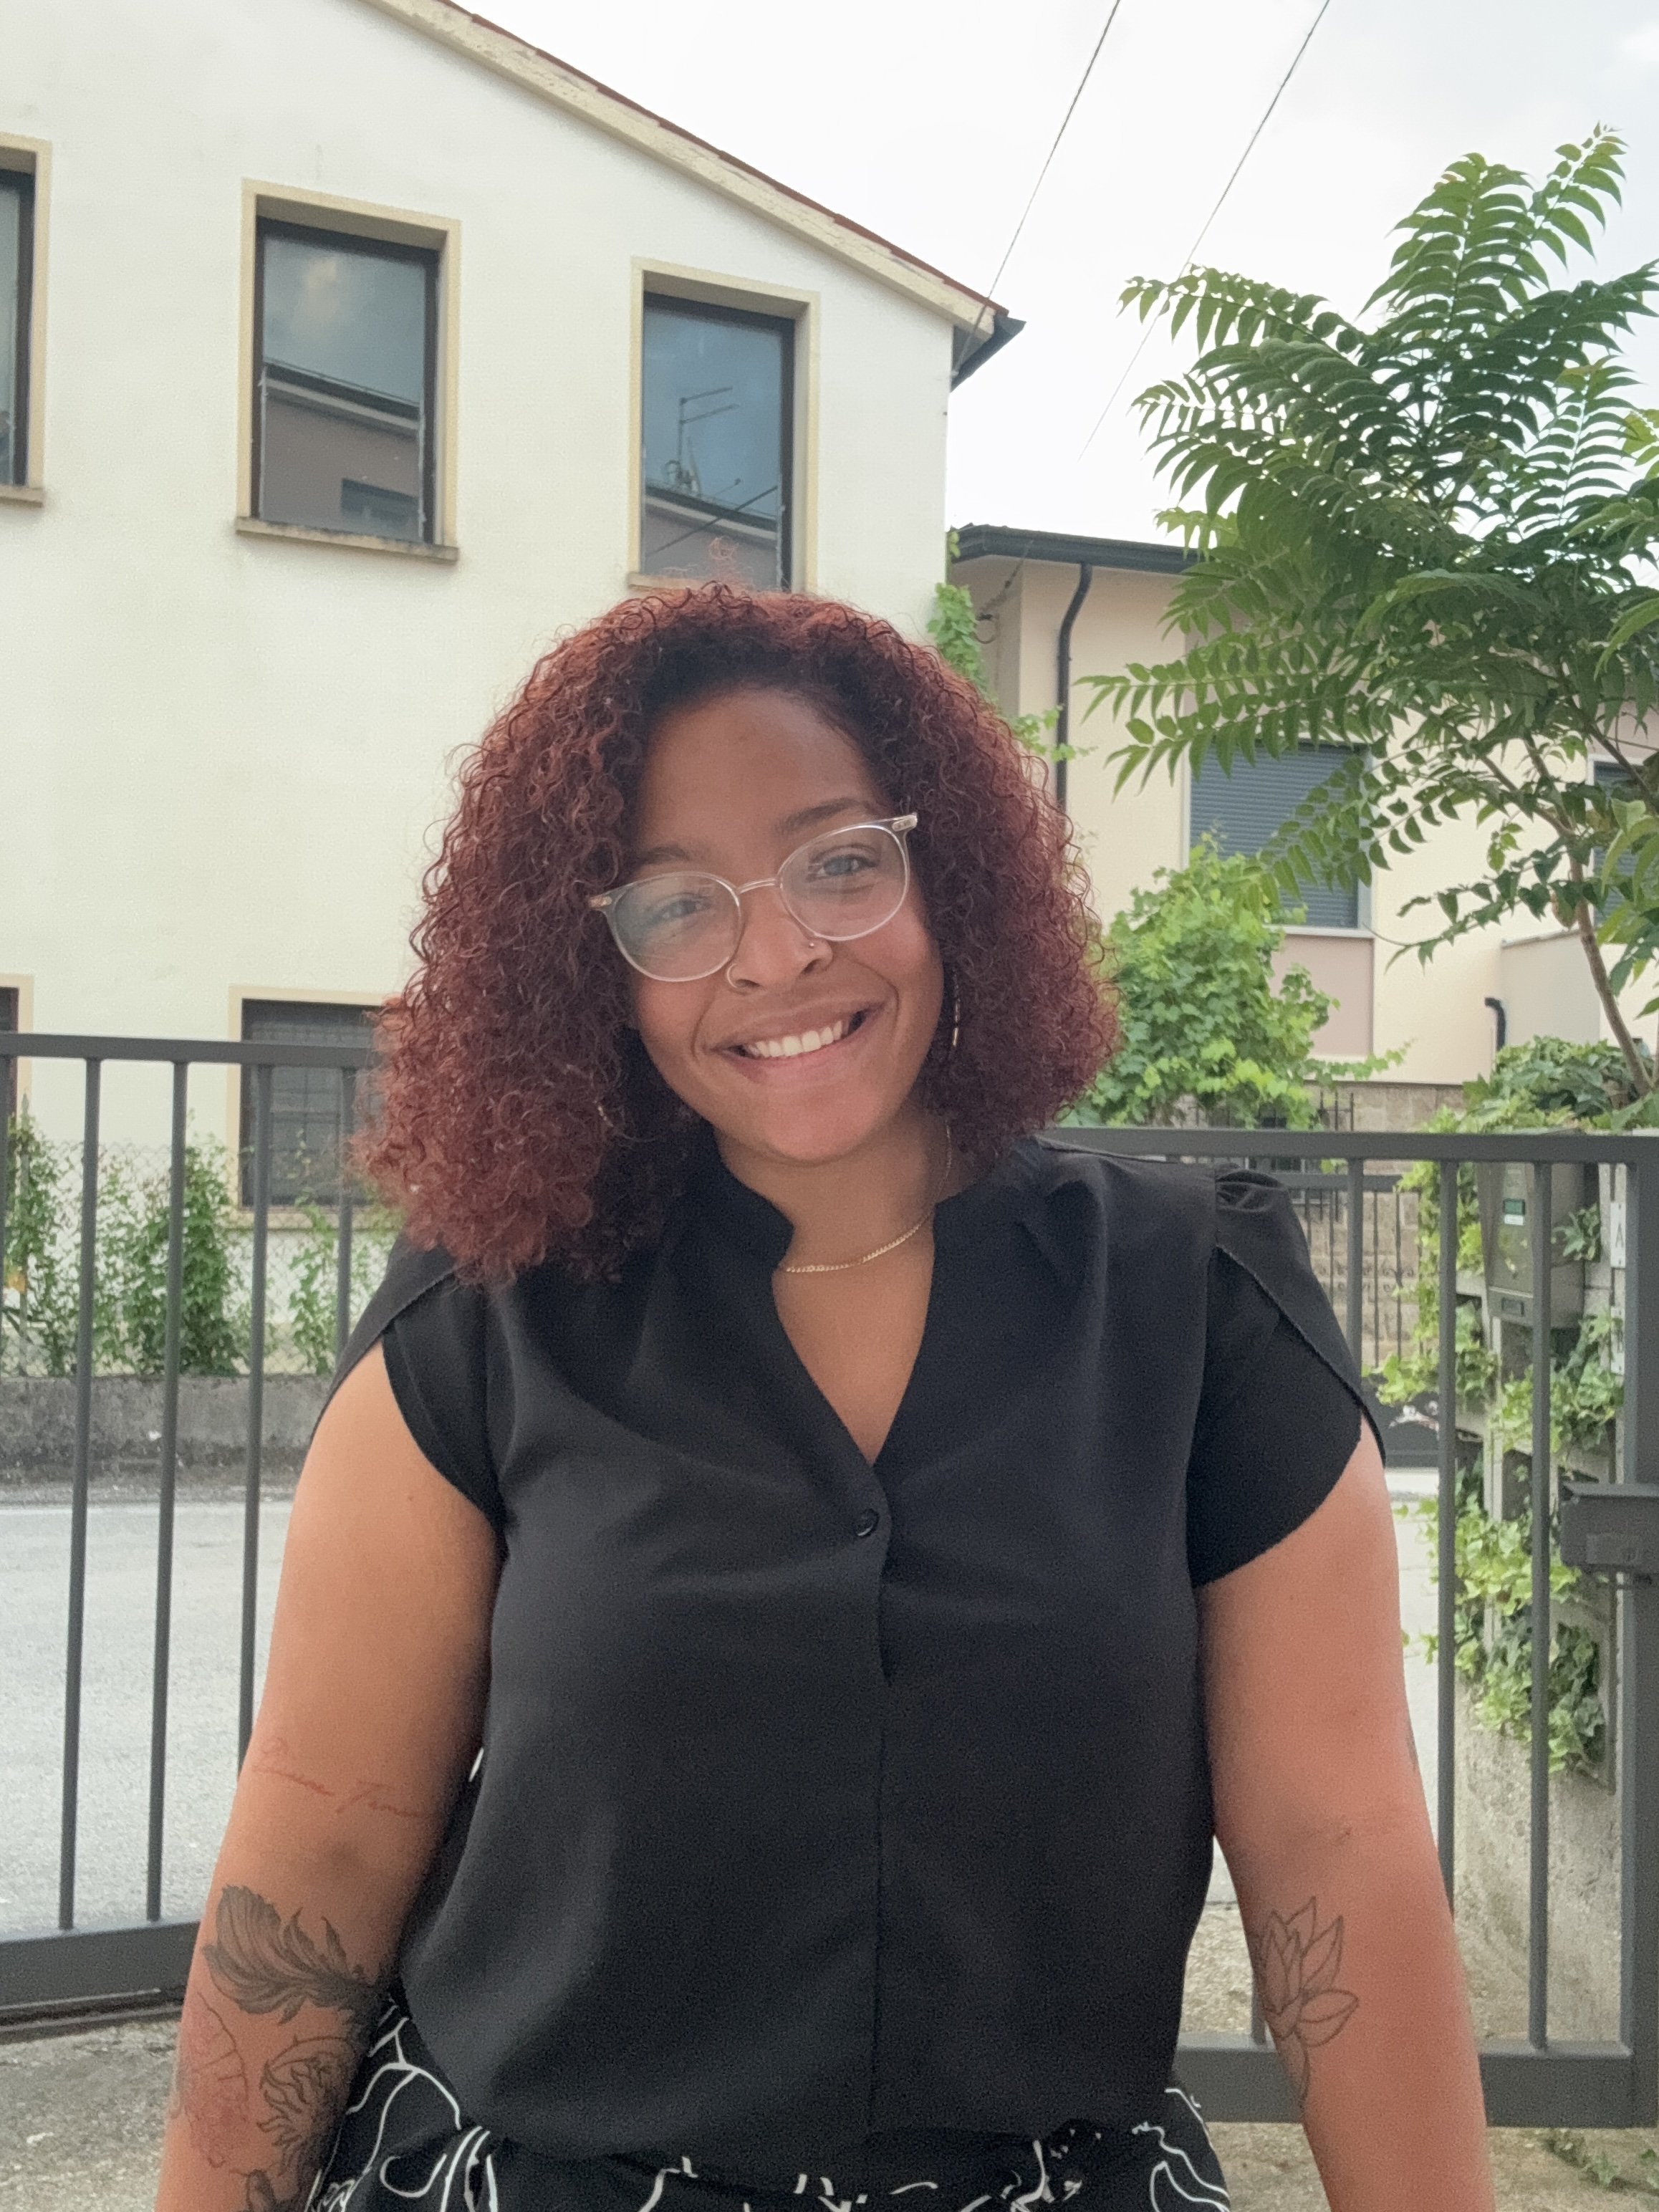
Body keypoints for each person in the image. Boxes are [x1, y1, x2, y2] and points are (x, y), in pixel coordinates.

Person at [154, 585, 1494, 2212]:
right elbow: (324, 1836)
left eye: (841, 859)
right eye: (675, 905)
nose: (779, 949)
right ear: (598, 969)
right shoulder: (489, 1312)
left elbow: (1338, 1861)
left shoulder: (1200, 1305)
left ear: (952, 878)